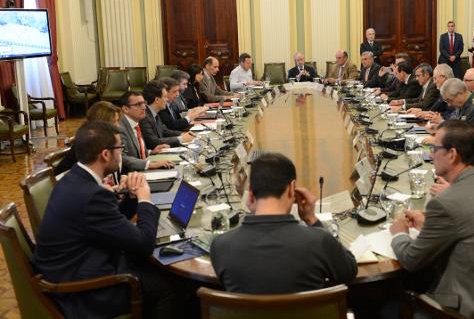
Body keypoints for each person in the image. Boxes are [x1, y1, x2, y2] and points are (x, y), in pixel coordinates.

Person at [33, 121, 193, 318]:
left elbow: (110, 222)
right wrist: (144, 199)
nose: (122, 153)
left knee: (164, 266)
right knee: (174, 286)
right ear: (105, 154)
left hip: (82, 264)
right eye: (120, 148)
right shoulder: (92, 195)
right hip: (86, 291)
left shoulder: (76, 178)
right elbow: (143, 244)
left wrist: (131, 196)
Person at [389, 120, 474, 318]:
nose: (431, 154)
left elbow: (412, 260)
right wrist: (429, 225)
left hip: (472, 309)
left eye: (434, 148)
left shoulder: (446, 201)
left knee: (383, 299)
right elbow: (473, 227)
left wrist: (399, 234)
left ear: (452, 155)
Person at [210, 152, 357, 293]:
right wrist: (312, 220)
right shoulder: (321, 241)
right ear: (292, 188)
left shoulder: (220, 246)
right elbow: (349, 272)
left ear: (250, 193)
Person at [438, 78, 474, 158]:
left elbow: (466, 137)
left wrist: (439, 140)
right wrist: (440, 127)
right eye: (447, 101)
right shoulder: (461, 104)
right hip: (466, 150)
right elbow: (452, 125)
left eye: (449, 100)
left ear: (460, 94)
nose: (449, 104)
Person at [118, 92, 174, 171]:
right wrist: (149, 164)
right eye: (138, 104)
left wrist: (151, 152)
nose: (144, 107)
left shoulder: (135, 122)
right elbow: (121, 157)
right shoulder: (120, 128)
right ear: (125, 109)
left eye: (144, 103)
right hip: (131, 175)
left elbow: (135, 151)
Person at [140, 80, 193, 149]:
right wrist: (180, 138)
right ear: (157, 100)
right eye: (165, 97)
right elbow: (153, 142)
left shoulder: (154, 112)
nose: (167, 99)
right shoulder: (144, 117)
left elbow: (165, 131)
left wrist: (182, 134)